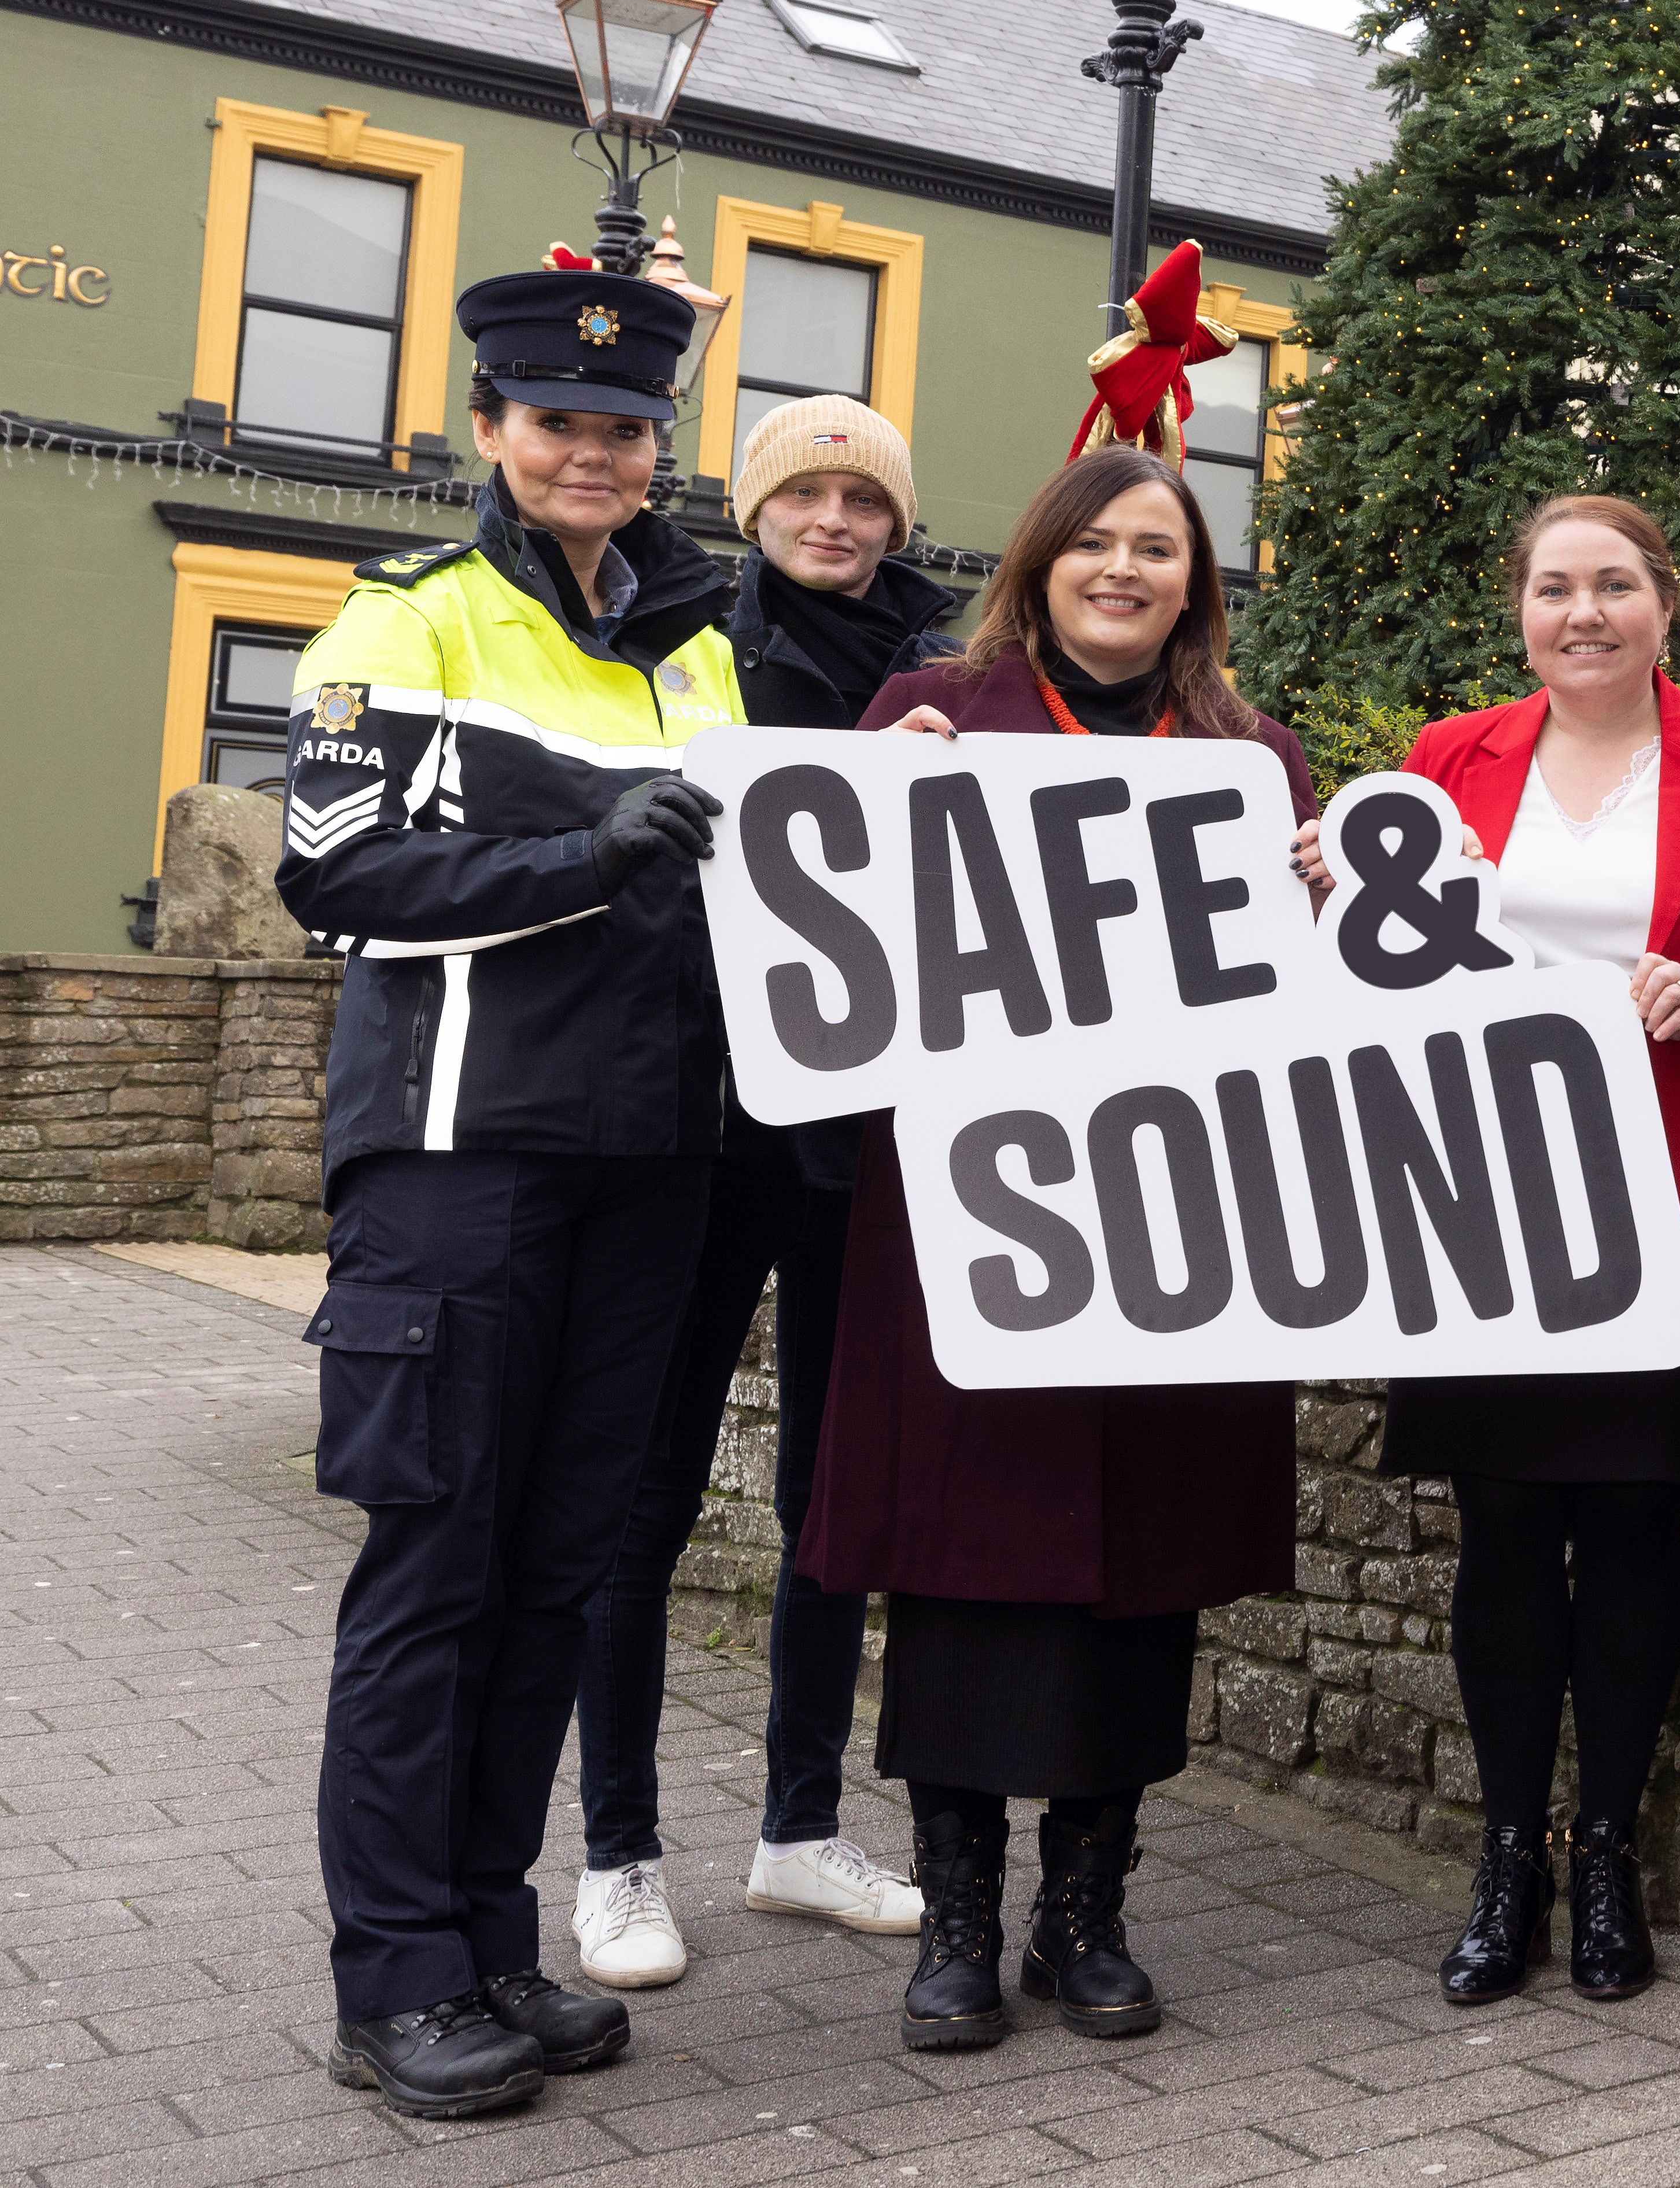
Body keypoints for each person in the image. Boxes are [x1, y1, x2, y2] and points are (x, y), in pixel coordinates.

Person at [274, 265, 745, 2119]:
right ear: (492, 429)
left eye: (624, 430)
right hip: (459, 1163)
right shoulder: (404, 621)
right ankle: (392, 1981)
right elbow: (342, 877)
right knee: (434, 1570)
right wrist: (588, 853)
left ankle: (484, 1940)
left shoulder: (696, 647)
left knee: (554, 1577)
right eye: (558, 422)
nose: (593, 453)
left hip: (648, 1165)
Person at [796, 445, 1328, 2052]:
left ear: (1195, 582)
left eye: (1156, 549)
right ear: (1037, 563)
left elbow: (1306, 1014)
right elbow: (833, 941)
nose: (1123, 571)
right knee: (960, 1564)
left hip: (1175, 1216)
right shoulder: (928, 712)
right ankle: (955, 1920)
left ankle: (1083, 1915)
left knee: (1140, 1575)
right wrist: (871, 812)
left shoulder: (1252, 753)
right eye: (1093, 544)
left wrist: (1320, 897)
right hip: (975, 1208)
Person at [1391, 496, 1680, 2006]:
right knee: (1501, 1520)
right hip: (1485, 1192)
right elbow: (1380, 958)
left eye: (1614, 584)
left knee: (1635, 1525)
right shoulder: (1446, 763)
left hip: (1679, 1189)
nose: (1584, 613)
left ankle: (1609, 1857)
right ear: (1521, 608)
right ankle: (1507, 1859)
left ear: (1663, 601)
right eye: (1555, 588)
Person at [571, 396, 953, 1988]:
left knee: (831, 1499)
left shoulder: (947, 677)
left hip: (868, 1146)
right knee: (643, 1498)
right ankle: (617, 1857)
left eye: (862, 498)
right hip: (707, 1132)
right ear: (755, 507)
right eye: (803, 491)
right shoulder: (695, 641)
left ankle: (800, 1830)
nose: (834, 519)